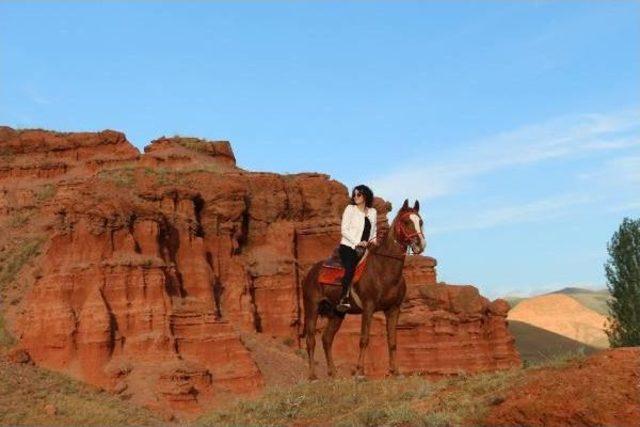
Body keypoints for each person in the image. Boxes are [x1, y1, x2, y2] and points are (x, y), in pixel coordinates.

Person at [336, 184, 377, 312]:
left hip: (367, 247)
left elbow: (374, 230)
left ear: (365, 196)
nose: (355, 197)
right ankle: (344, 298)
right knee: (350, 267)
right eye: (354, 194)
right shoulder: (350, 209)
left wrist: (373, 242)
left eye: (358, 194)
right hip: (349, 246)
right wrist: (357, 242)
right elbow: (344, 230)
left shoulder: (372, 212)